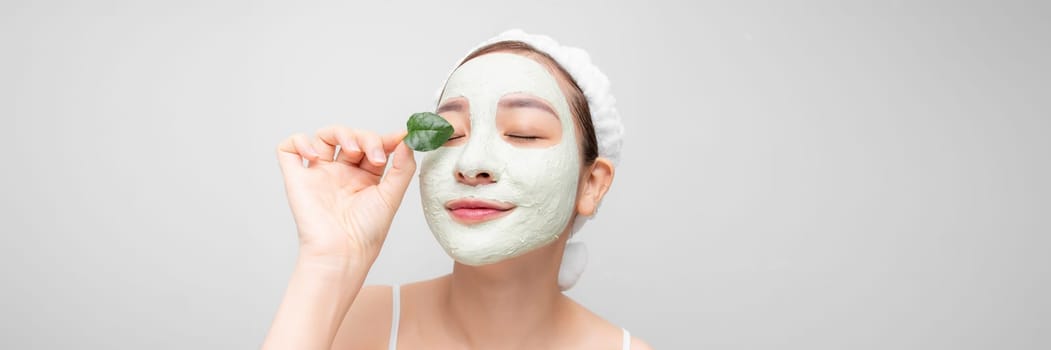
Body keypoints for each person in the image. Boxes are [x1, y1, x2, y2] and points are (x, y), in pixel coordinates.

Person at [262, 29, 652, 350]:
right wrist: (329, 260)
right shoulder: (361, 322)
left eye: (523, 132)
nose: (470, 164)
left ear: (591, 184)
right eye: (451, 136)